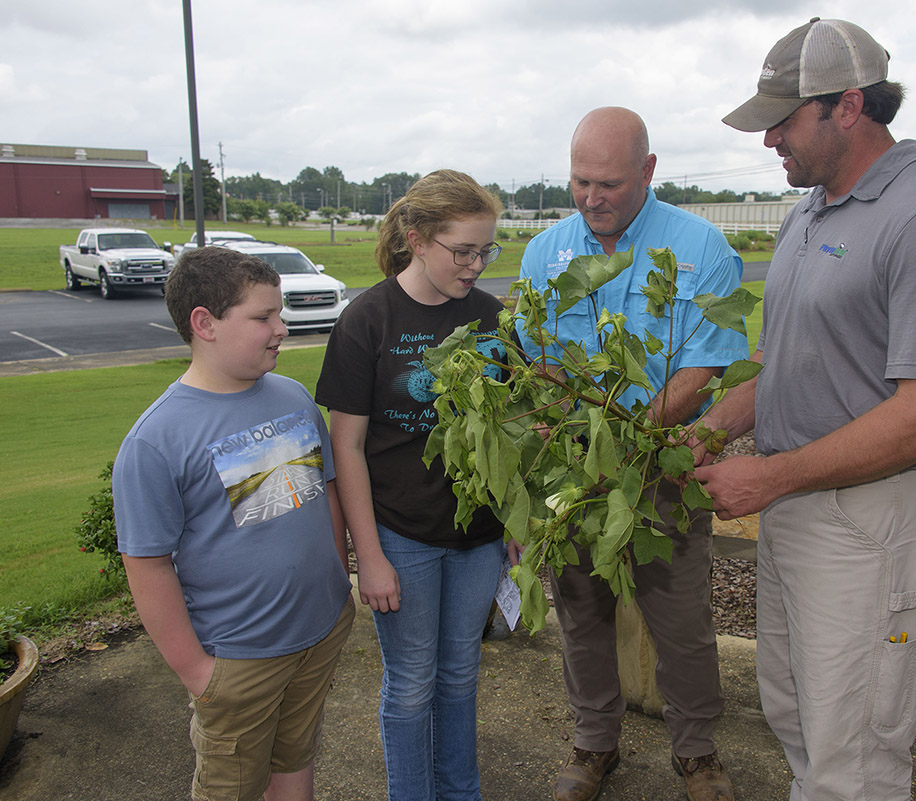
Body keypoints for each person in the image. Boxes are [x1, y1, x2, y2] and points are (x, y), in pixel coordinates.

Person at [693, 18, 916, 800]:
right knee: (800, 721)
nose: (770, 143)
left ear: (848, 106)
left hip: (867, 524)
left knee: (855, 755)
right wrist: (711, 429)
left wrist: (770, 477)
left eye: (783, 122)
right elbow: (790, 362)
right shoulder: (810, 213)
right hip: (798, 506)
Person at [519, 107, 744, 801]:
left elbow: (704, 368)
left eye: (610, 183)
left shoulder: (700, 248)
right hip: (576, 475)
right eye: (580, 181)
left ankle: (698, 753)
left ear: (647, 171)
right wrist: (571, 438)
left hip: (661, 469)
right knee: (580, 611)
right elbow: (538, 360)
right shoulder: (545, 252)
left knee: (680, 619)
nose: (592, 198)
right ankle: (594, 742)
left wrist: (629, 441)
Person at [113, 246, 356, 801]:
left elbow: (325, 494)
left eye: (280, 314)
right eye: (263, 316)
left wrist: (339, 580)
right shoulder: (156, 440)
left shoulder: (293, 397)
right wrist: (198, 673)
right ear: (206, 323)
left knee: (295, 760)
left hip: (318, 632)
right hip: (240, 659)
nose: (282, 328)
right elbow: (147, 564)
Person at [315, 169, 509, 801]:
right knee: (411, 684)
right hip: (401, 536)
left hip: (479, 536)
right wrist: (366, 557)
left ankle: (462, 792)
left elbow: (509, 429)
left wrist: (516, 521)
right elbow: (345, 448)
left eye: (487, 251)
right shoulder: (367, 320)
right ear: (417, 238)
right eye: (464, 251)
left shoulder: (492, 318)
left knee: (460, 676)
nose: (477, 265)